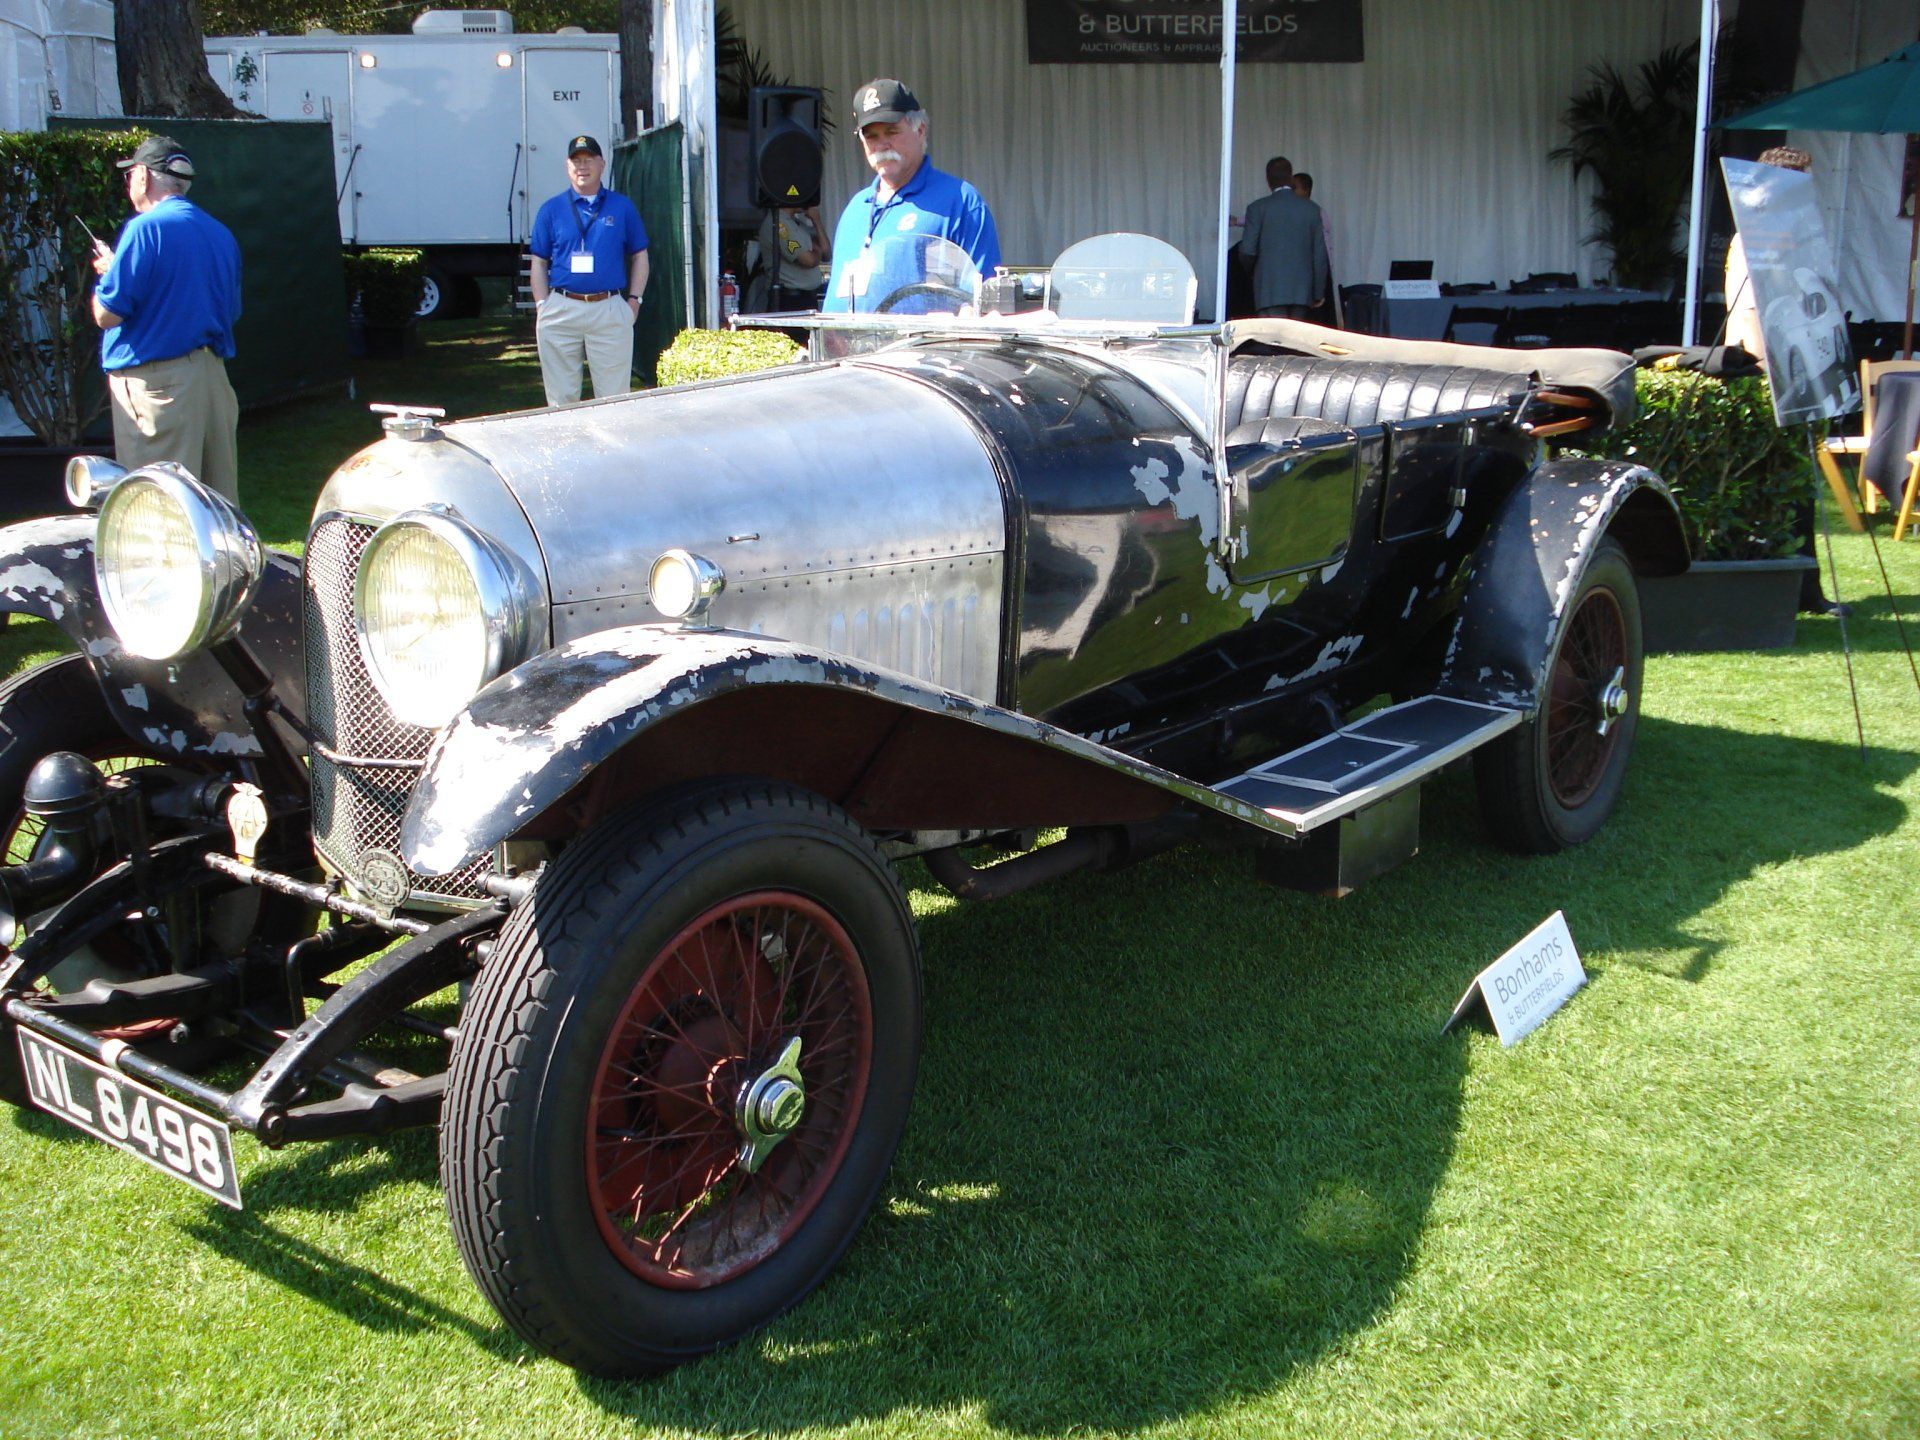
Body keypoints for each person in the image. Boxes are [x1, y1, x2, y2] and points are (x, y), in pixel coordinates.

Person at [1722, 144, 1845, 616]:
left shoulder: (1781, 236)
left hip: (1788, 367)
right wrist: (1768, 372)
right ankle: (1797, 591)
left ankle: (1804, 589)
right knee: (1785, 488)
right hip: (1770, 372)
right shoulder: (1759, 240)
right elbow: (1751, 310)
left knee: (1795, 489)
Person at [90, 135, 242, 503]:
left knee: (158, 508)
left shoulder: (145, 228)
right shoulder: (220, 233)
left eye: (130, 175)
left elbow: (106, 314)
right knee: (216, 511)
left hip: (158, 391)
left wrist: (108, 278)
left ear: (142, 176)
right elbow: (228, 310)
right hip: (213, 382)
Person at [823, 79, 1000, 313]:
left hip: (924, 348)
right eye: (871, 136)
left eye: (891, 131)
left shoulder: (959, 201)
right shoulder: (855, 208)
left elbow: (985, 303)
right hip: (854, 349)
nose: (881, 144)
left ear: (920, 130)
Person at [528, 135, 649, 407]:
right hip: (561, 307)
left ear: (602, 164)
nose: (582, 166)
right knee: (561, 399)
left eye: (589, 160)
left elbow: (640, 255)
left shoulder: (622, 207)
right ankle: (567, 448)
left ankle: (613, 449)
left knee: (614, 397)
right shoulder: (551, 209)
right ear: (567, 166)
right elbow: (539, 261)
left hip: (608, 307)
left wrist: (634, 300)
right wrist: (542, 305)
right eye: (576, 161)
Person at [1238, 155, 1329, 320]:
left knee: (1272, 341)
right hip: (1302, 291)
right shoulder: (1312, 209)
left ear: (1268, 180)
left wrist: (1257, 272)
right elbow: (1320, 255)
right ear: (1291, 178)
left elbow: (1247, 251)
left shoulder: (1257, 208)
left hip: (1269, 288)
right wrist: (1318, 291)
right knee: (1294, 342)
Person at [1290, 170, 1342, 327]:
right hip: (1305, 270)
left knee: (1317, 317)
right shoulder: (1300, 211)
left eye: (1294, 187)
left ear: (1306, 190)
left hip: (1317, 270)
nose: (1291, 191)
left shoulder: (1315, 212)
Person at [755, 204, 830, 310]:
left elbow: (827, 254)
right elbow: (809, 260)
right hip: (790, 300)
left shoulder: (795, 223)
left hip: (806, 299)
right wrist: (817, 250)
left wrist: (816, 221)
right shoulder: (779, 224)